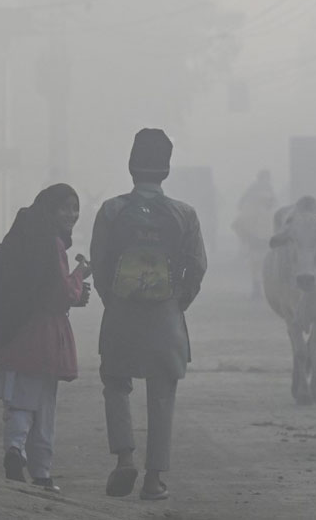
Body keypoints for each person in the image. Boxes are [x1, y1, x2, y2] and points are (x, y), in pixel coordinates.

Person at [90, 128, 208, 501]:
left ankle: (125, 457)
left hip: (122, 312)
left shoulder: (112, 210)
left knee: (115, 383)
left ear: (130, 167)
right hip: (166, 315)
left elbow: (100, 263)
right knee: (161, 394)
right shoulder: (183, 214)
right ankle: (154, 479)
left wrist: (115, 300)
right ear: (166, 171)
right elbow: (198, 266)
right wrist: (176, 302)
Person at [0, 183, 91, 493]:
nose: (72, 214)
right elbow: (59, 292)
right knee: (44, 405)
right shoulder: (52, 244)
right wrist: (81, 275)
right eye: (65, 207)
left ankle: (16, 451)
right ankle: (39, 470)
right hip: (45, 335)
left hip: (15, 332)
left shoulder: (20, 238)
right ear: (49, 208)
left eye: (75, 208)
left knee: (21, 398)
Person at [232, 169, 276, 299]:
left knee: (260, 260)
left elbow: (273, 205)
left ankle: (259, 287)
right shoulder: (256, 190)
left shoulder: (267, 190)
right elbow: (241, 204)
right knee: (256, 260)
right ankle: (257, 288)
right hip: (256, 230)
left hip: (263, 230)